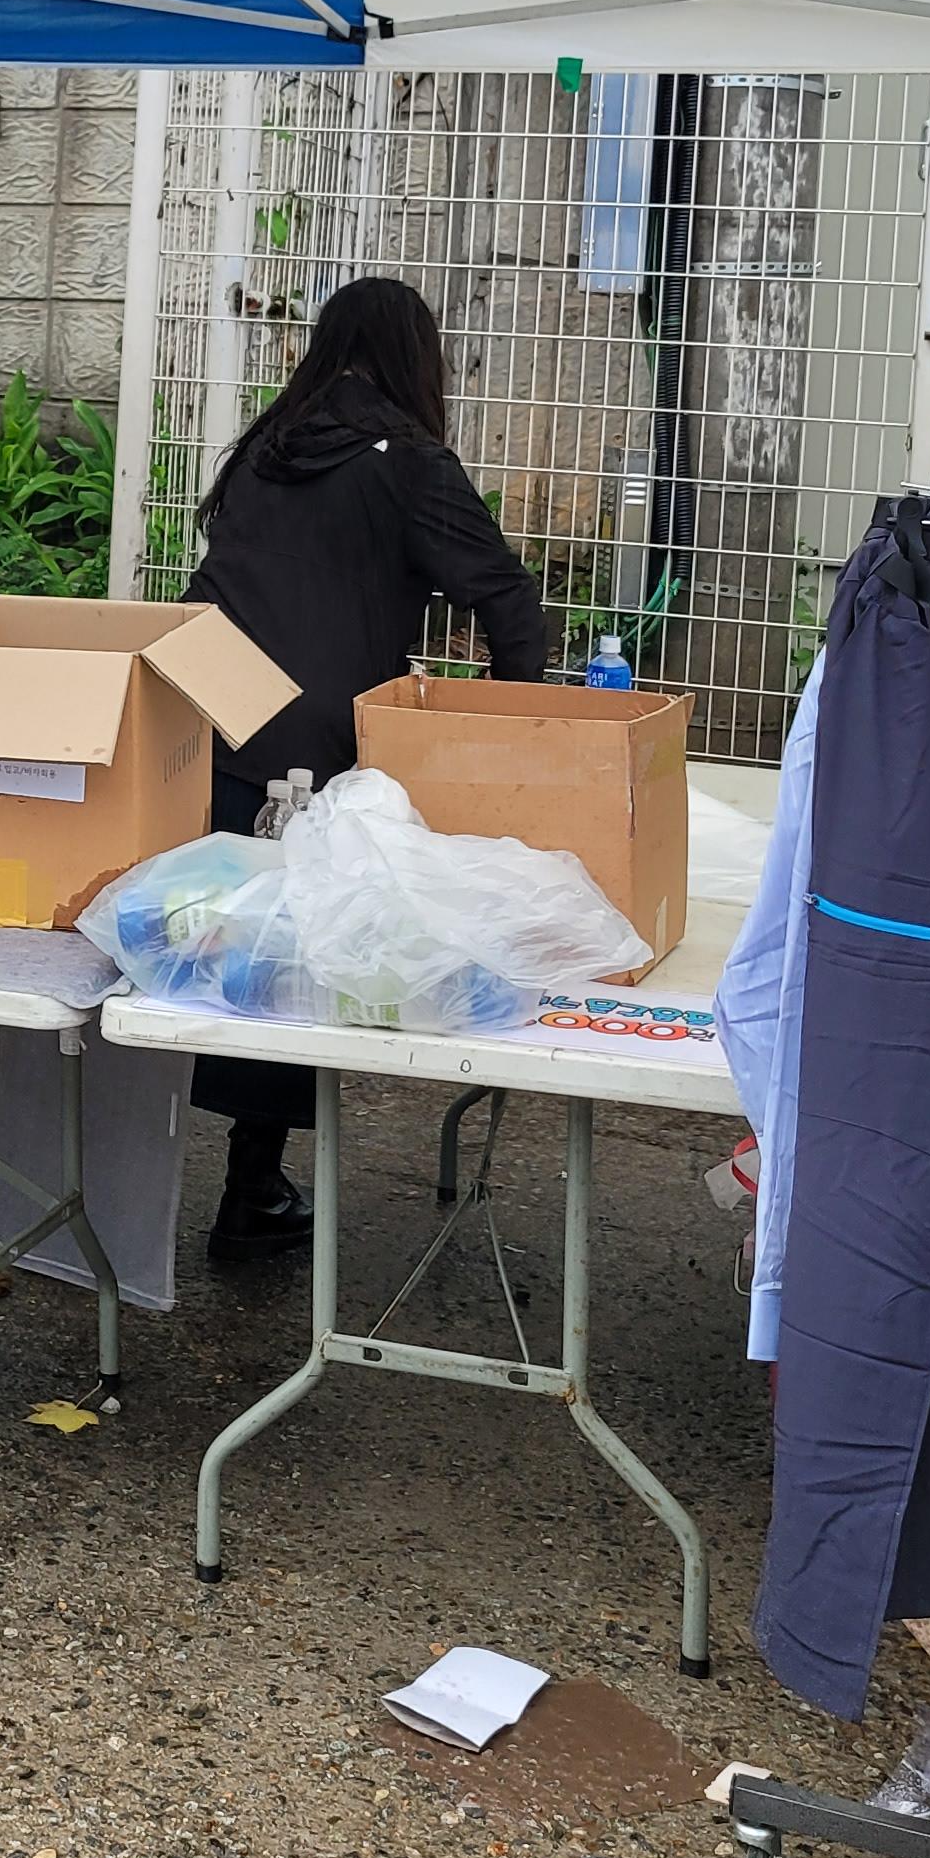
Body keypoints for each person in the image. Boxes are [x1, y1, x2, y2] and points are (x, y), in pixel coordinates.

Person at [186, 276, 549, 1261]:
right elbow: (507, 599)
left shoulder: (265, 446)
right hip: (318, 742)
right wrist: (511, 735)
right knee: (294, 954)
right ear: (414, 359)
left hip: (206, 714)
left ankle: (220, 1181)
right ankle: (249, 1189)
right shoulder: (407, 461)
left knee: (222, 945)